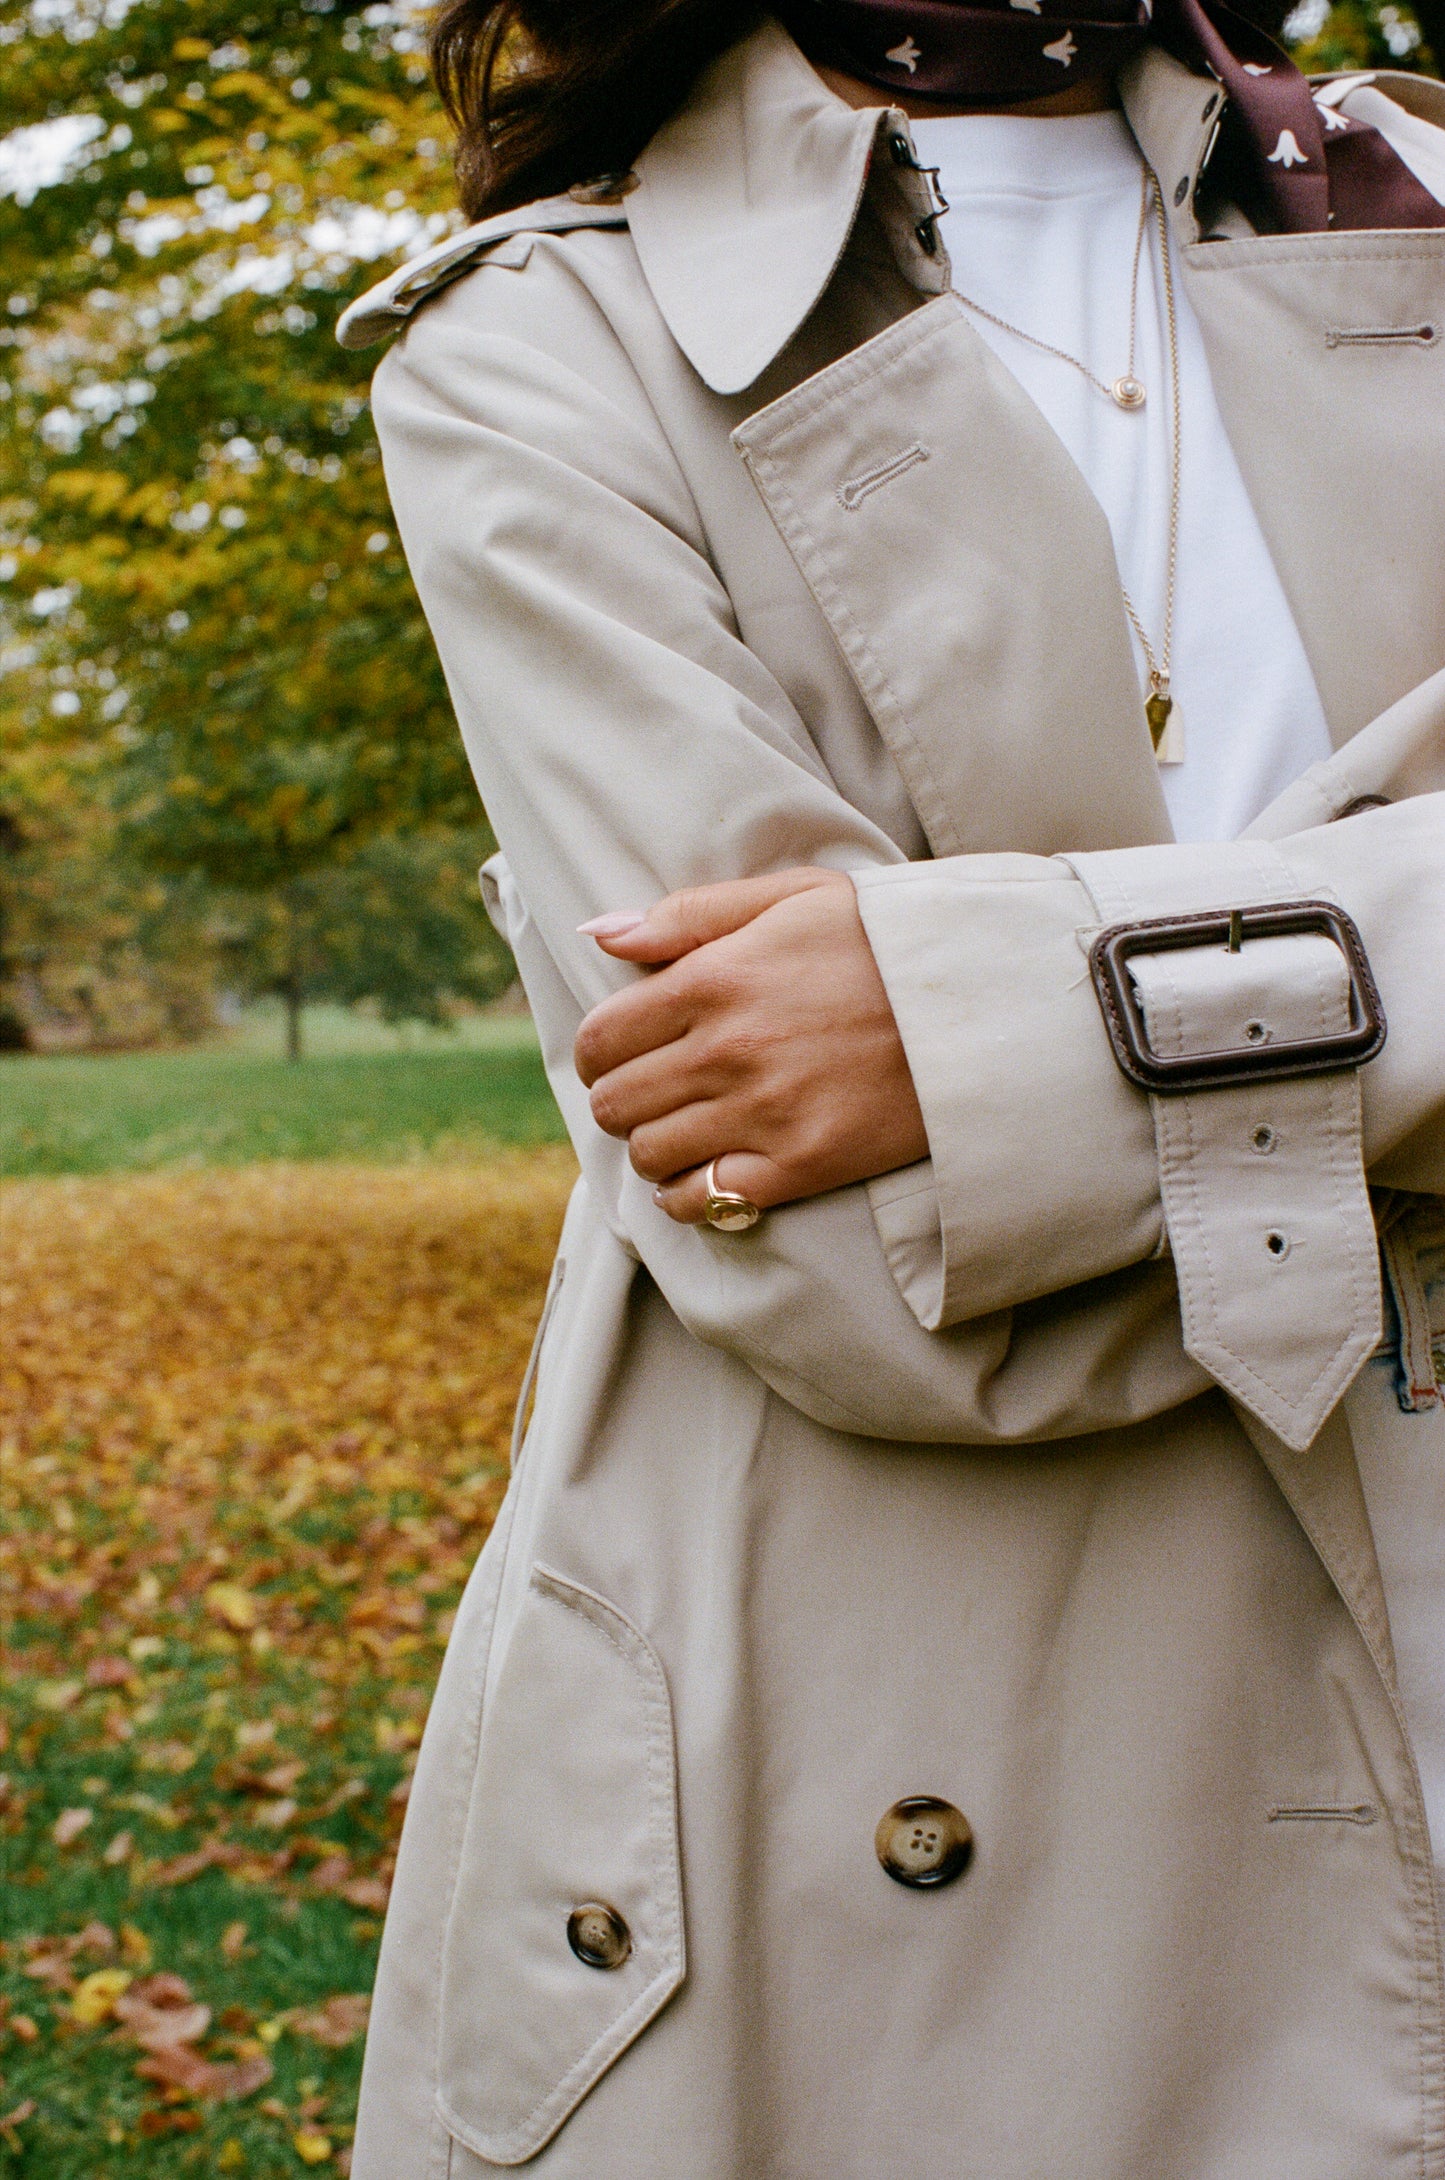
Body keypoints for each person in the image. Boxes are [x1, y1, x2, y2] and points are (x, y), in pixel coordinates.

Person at [337, 3, 1445, 2172]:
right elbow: (858, 1253)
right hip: (881, 1756)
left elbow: (951, 1128)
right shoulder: (543, 349)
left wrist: (987, 1020)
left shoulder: (1418, 204)